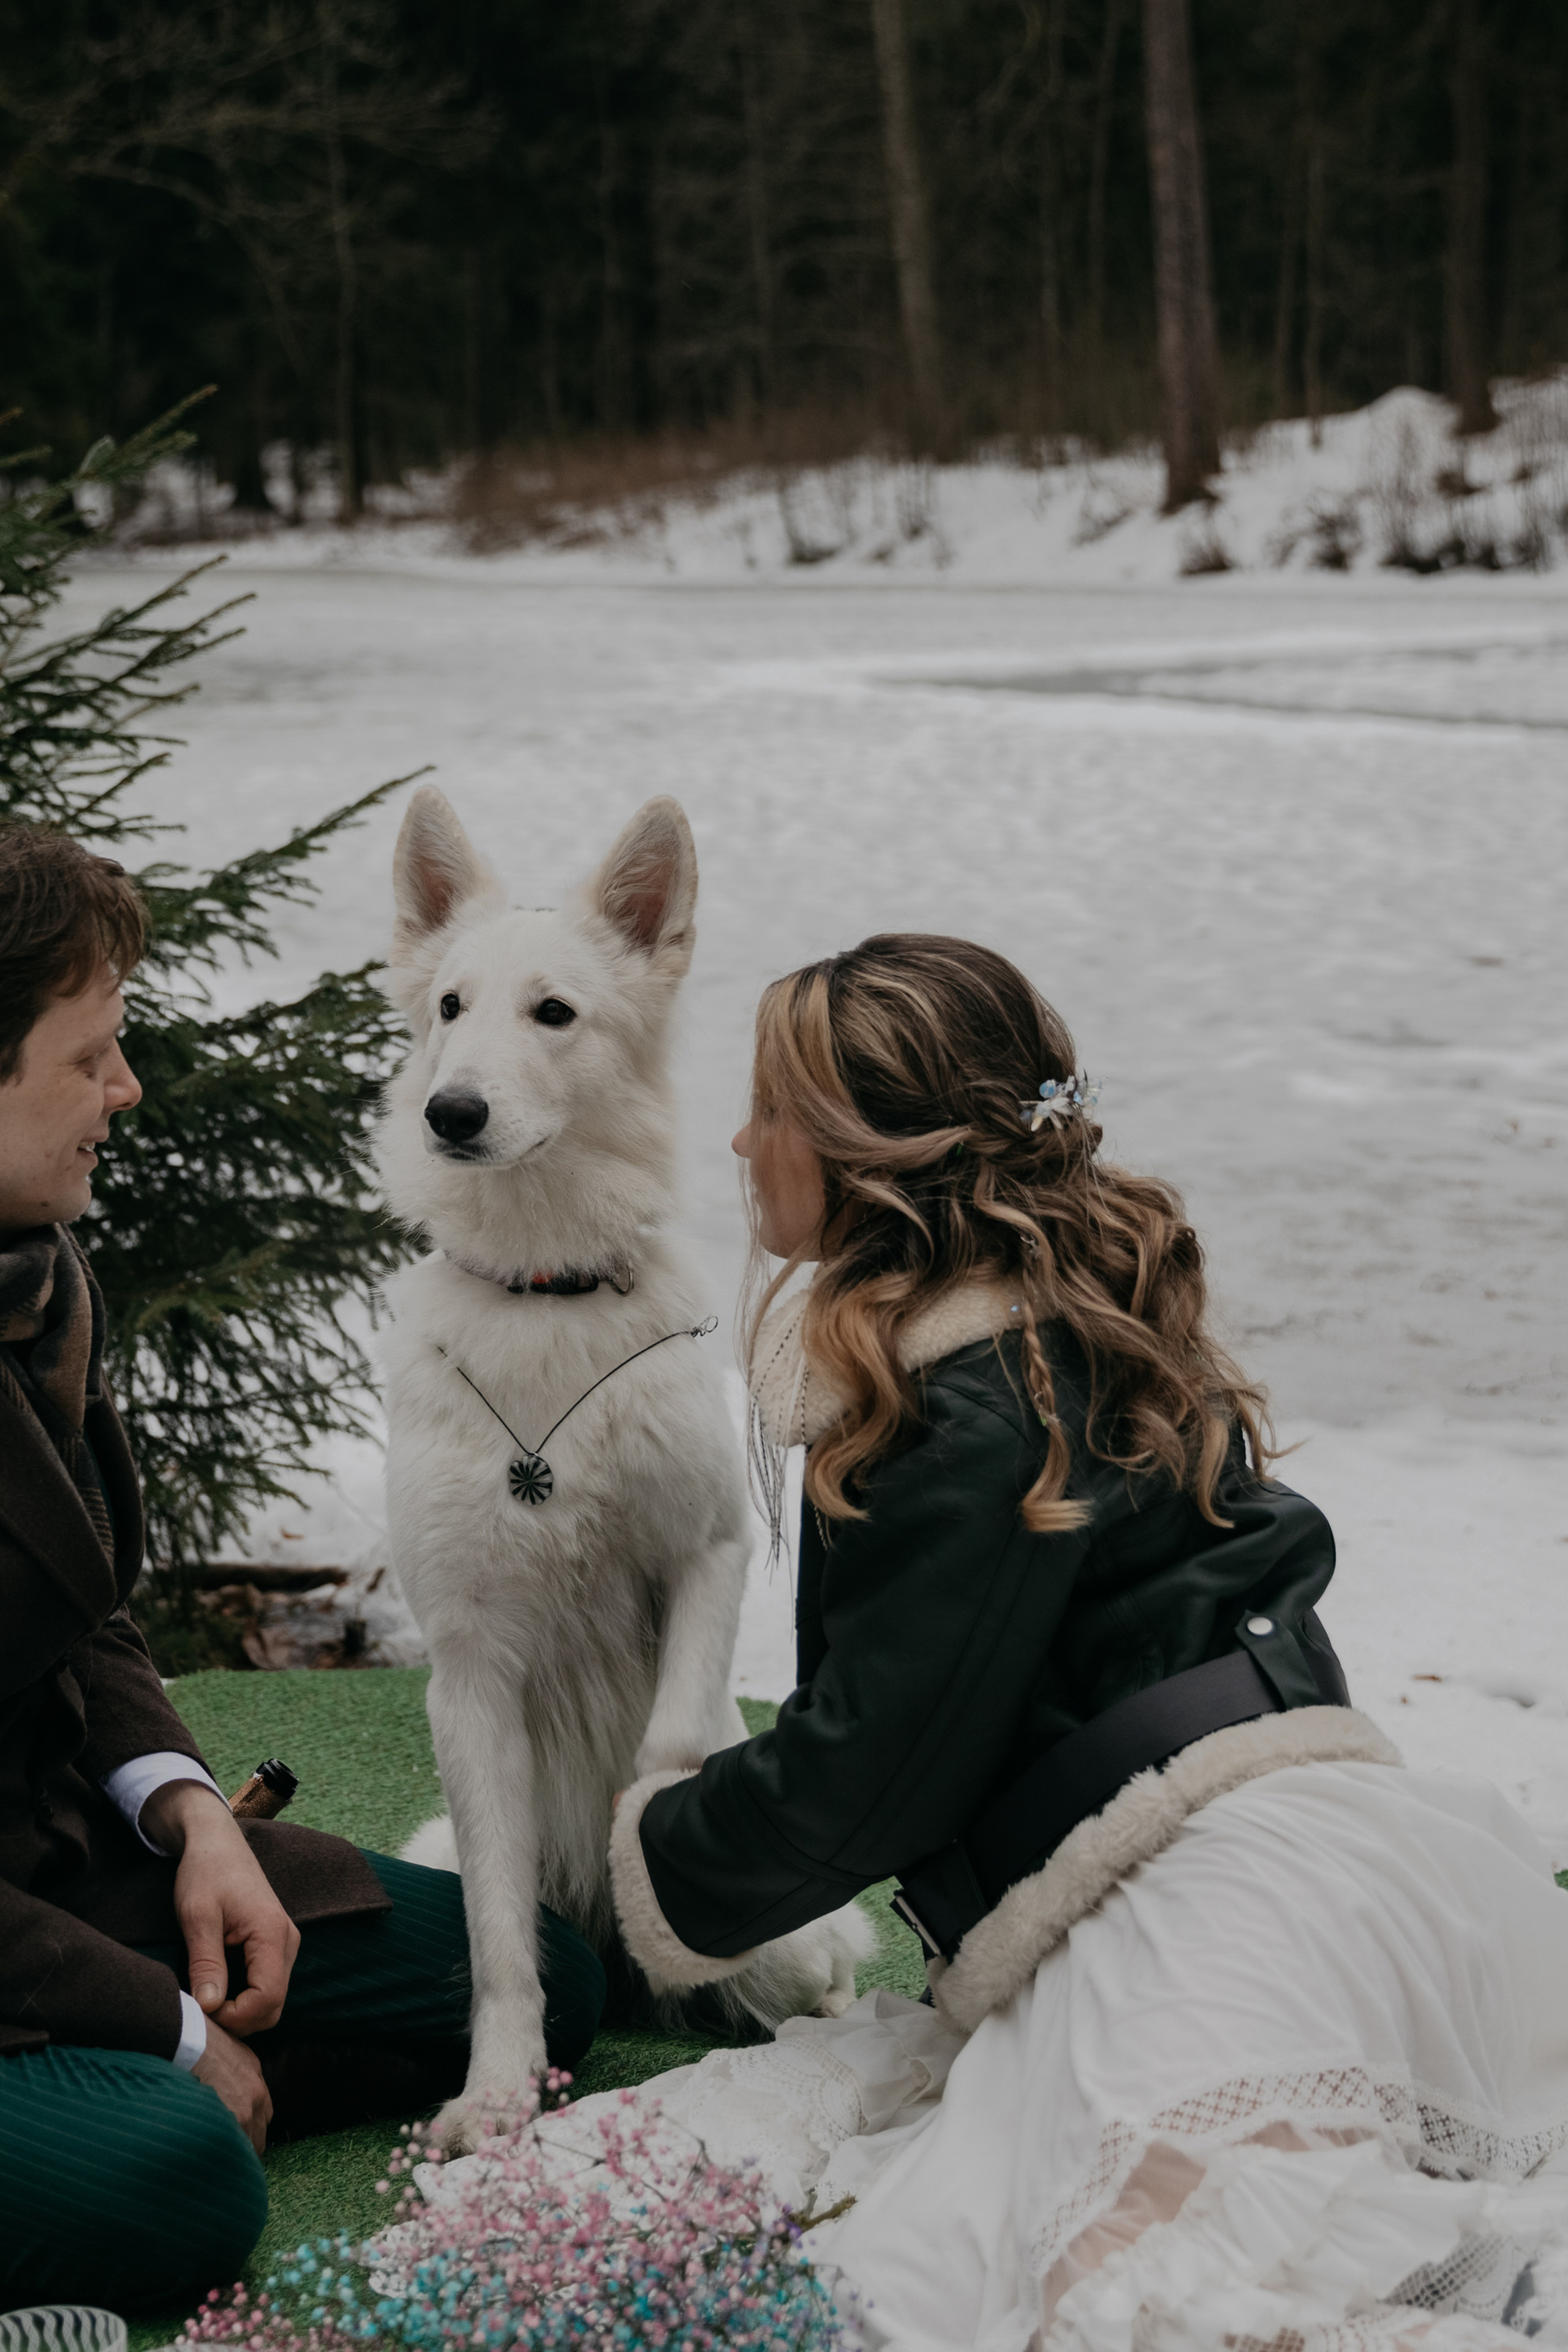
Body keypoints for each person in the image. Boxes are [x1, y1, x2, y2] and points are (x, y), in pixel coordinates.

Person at [559, 933, 1568, 2349]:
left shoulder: (969, 1402)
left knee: (1137, 2300)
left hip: (1211, 1913)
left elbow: (875, 1768)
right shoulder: (1042, 1341)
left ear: (864, 1152)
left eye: (771, 1109)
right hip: (1337, 1864)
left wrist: (654, 1851)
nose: (739, 1139)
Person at [0, 824, 606, 2316]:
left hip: (61, 1860)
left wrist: (193, 1817)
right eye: (93, 1058)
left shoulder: (33, 1274)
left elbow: (87, 1607)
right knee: (176, 2185)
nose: (127, 1092)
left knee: (534, 1986)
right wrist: (167, 2027)